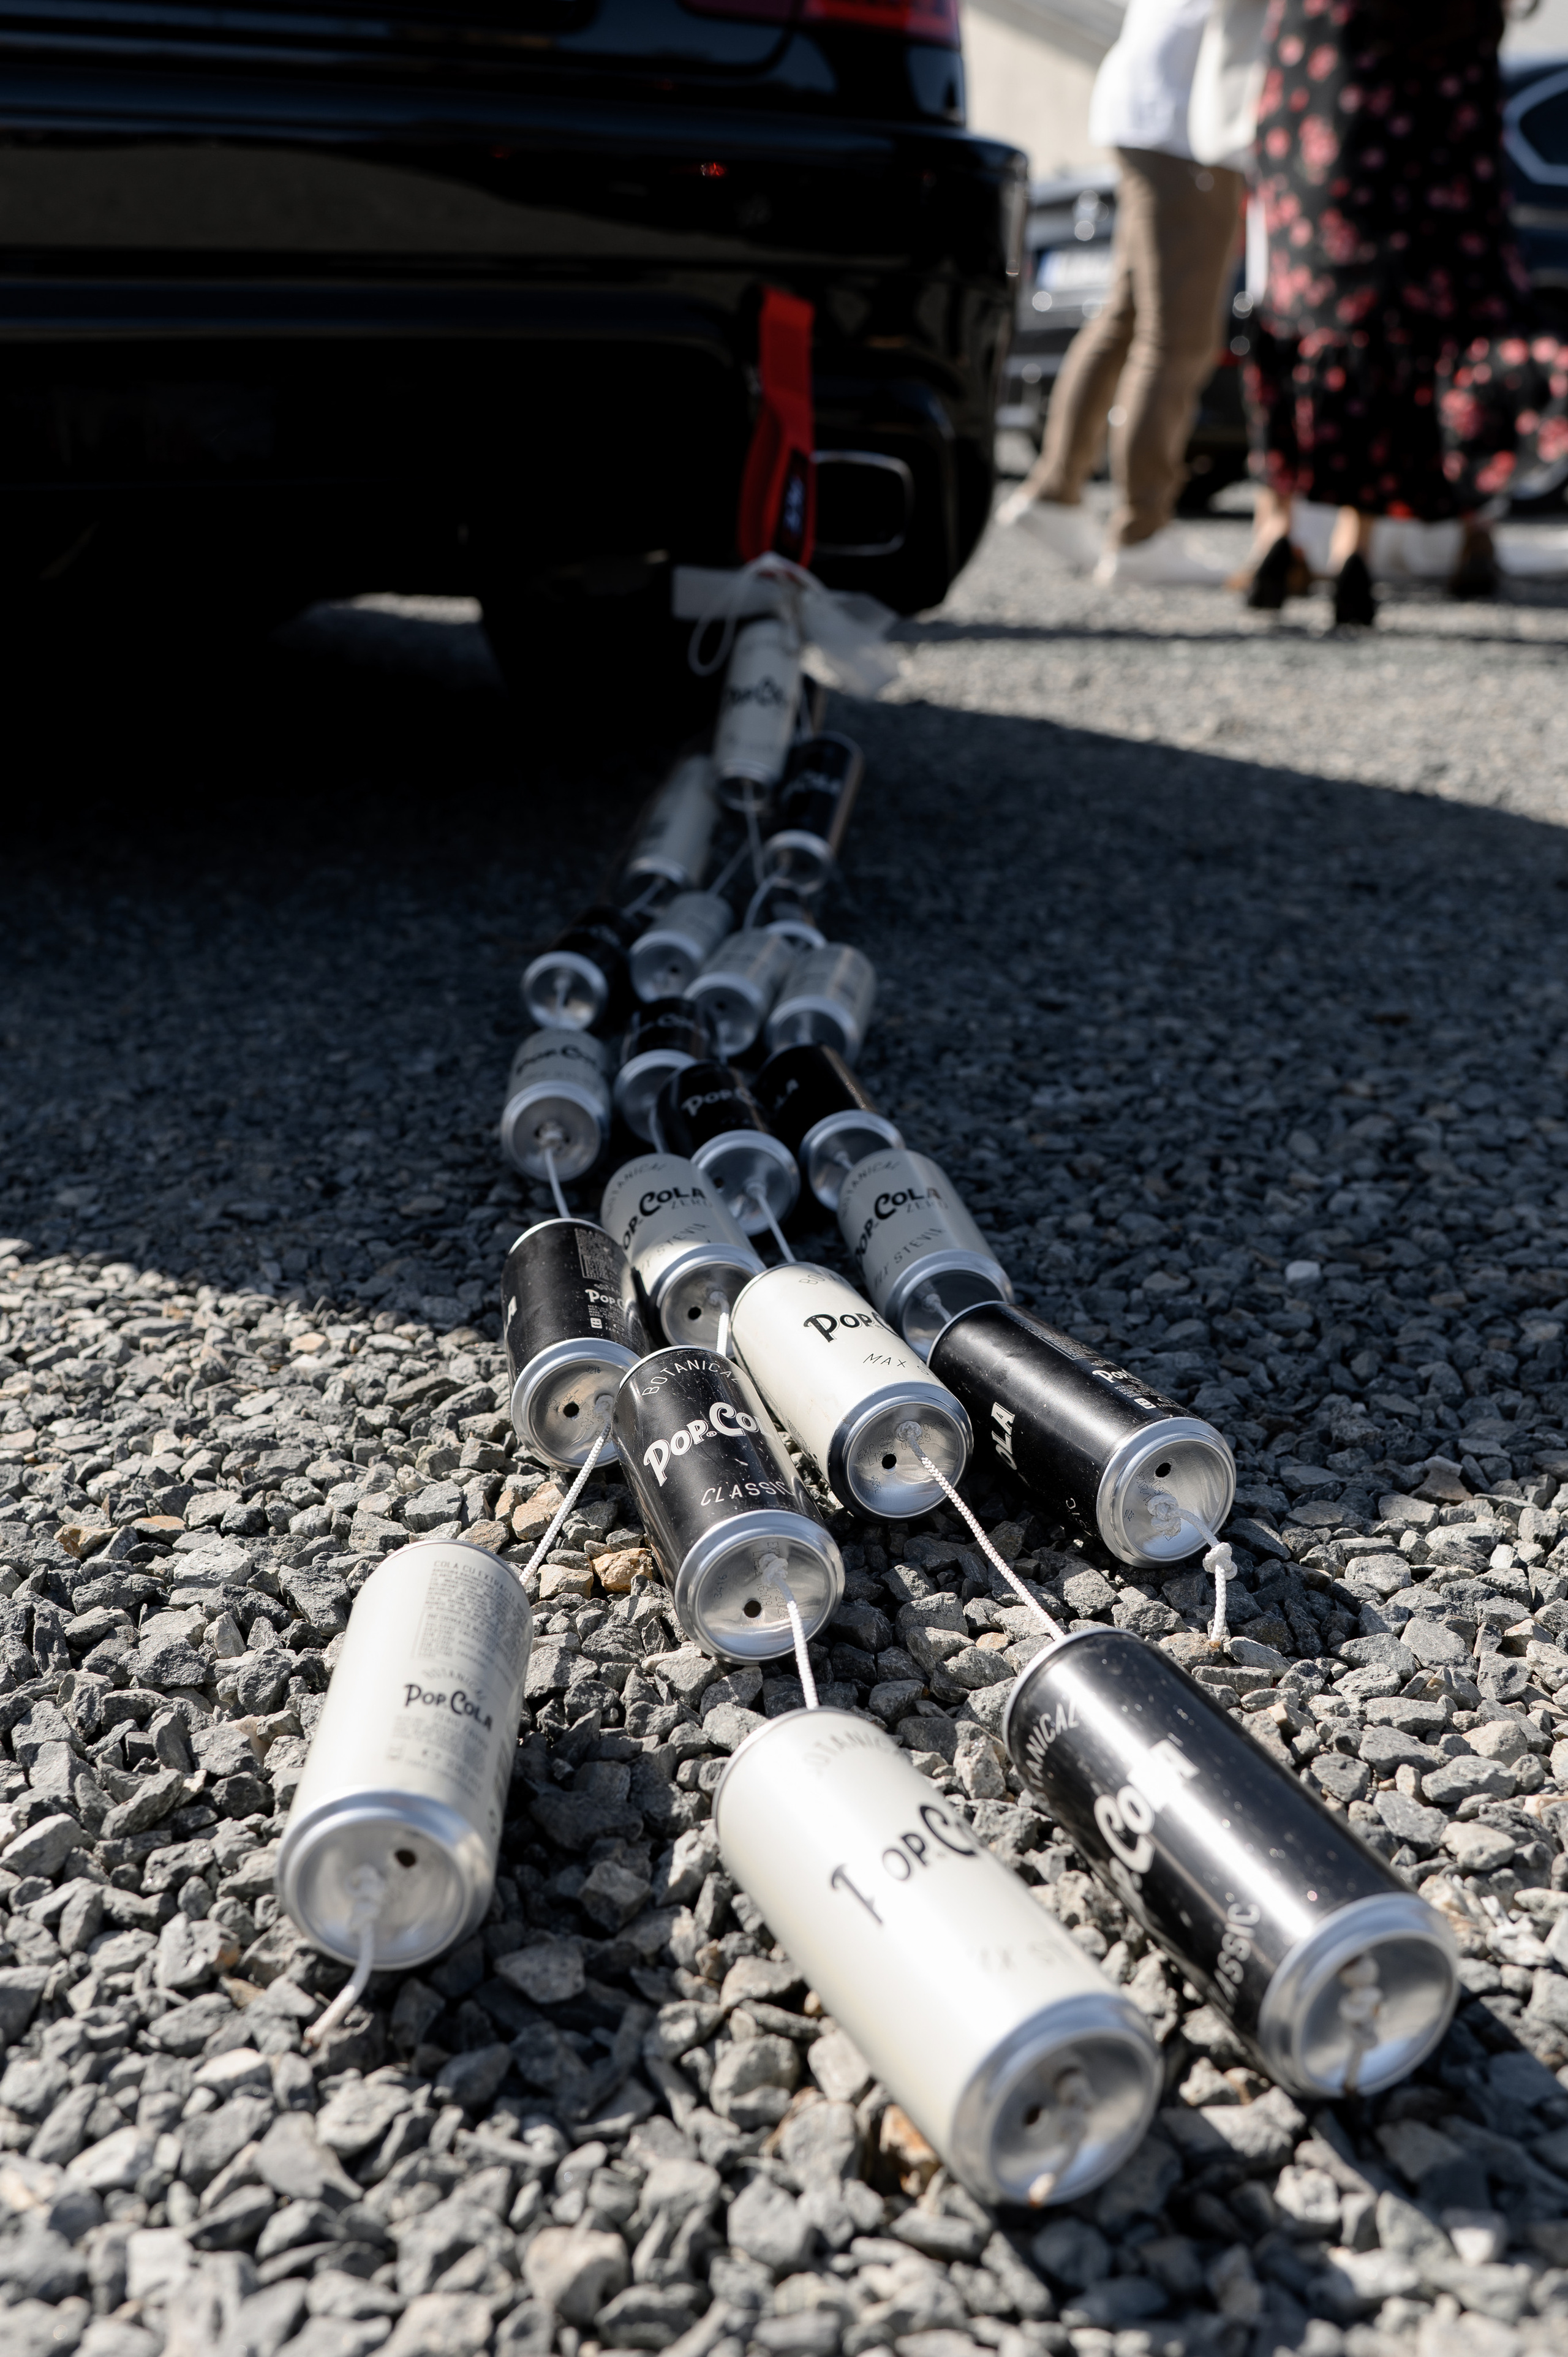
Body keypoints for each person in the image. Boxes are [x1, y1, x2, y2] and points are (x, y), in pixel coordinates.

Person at [1242, 0, 1523, 621]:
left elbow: (1272, 107)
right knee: (1381, 357)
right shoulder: (1463, 16)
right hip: (1413, 205)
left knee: (1299, 341)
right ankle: (1355, 551)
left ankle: (1274, 530)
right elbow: (1475, 141)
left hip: (1315, 191)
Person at [999, 0, 1245, 585]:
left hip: (1146, 109)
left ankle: (1056, 491)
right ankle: (1142, 530)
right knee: (1177, 339)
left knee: (1128, 318)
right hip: (1187, 125)